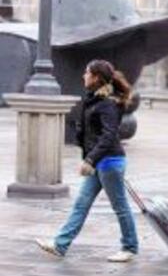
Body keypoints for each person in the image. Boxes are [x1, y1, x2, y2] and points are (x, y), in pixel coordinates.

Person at [35, 59, 138, 262]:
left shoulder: (107, 103)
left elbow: (109, 136)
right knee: (81, 205)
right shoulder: (96, 99)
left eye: (86, 72)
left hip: (109, 163)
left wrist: (90, 159)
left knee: (120, 207)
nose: (83, 76)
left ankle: (130, 247)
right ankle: (60, 245)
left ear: (96, 77)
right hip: (100, 163)